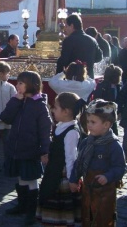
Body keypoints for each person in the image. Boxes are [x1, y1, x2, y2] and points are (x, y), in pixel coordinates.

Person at [0, 71, 52, 226]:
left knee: (30, 179)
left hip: (30, 150)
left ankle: (31, 210)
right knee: (20, 177)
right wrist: (16, 100)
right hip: (16, 148)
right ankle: (22, 205)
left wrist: (45, 150)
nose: (18, 85)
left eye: (21, 83)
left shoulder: (39, 105)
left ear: (31, 85)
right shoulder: (18, 100)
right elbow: (5, 117)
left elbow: (45, 129)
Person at [69, 99, 126, 227]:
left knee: (103, 217)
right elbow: (79, 163)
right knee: (87, 215)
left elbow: (120, 167)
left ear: (106, 124)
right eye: (88, 121)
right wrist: (73, 179)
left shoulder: (113, 145)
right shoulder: (86, 142)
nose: (89, 125)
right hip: (88, 188)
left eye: (93, 122)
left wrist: (108, 176)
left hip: (105, 190)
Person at [36, 92, 83, 226]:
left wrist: (71, 179)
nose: (53, 110)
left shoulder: (72, 132)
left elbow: (70, 157)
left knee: (61, 204)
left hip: (62, 174)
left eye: (55, 107)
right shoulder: (60, 126)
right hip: (53, 170)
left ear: (66, 111)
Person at [56, 14, 103, 79]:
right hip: (88, 79)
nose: (65, 29)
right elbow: (99, 57)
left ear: (72, 26)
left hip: (73, 78)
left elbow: (63, 61)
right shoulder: (92, 40)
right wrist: (88, 62)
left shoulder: (69, 40)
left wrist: (57, 77)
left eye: (66, 26)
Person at [91, 64, 123, 135]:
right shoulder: (103, 86)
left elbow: (119, 99)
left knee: (113, 132)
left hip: (113, 113)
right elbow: (98, 99)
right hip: (104, 113)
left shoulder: (117, 86)